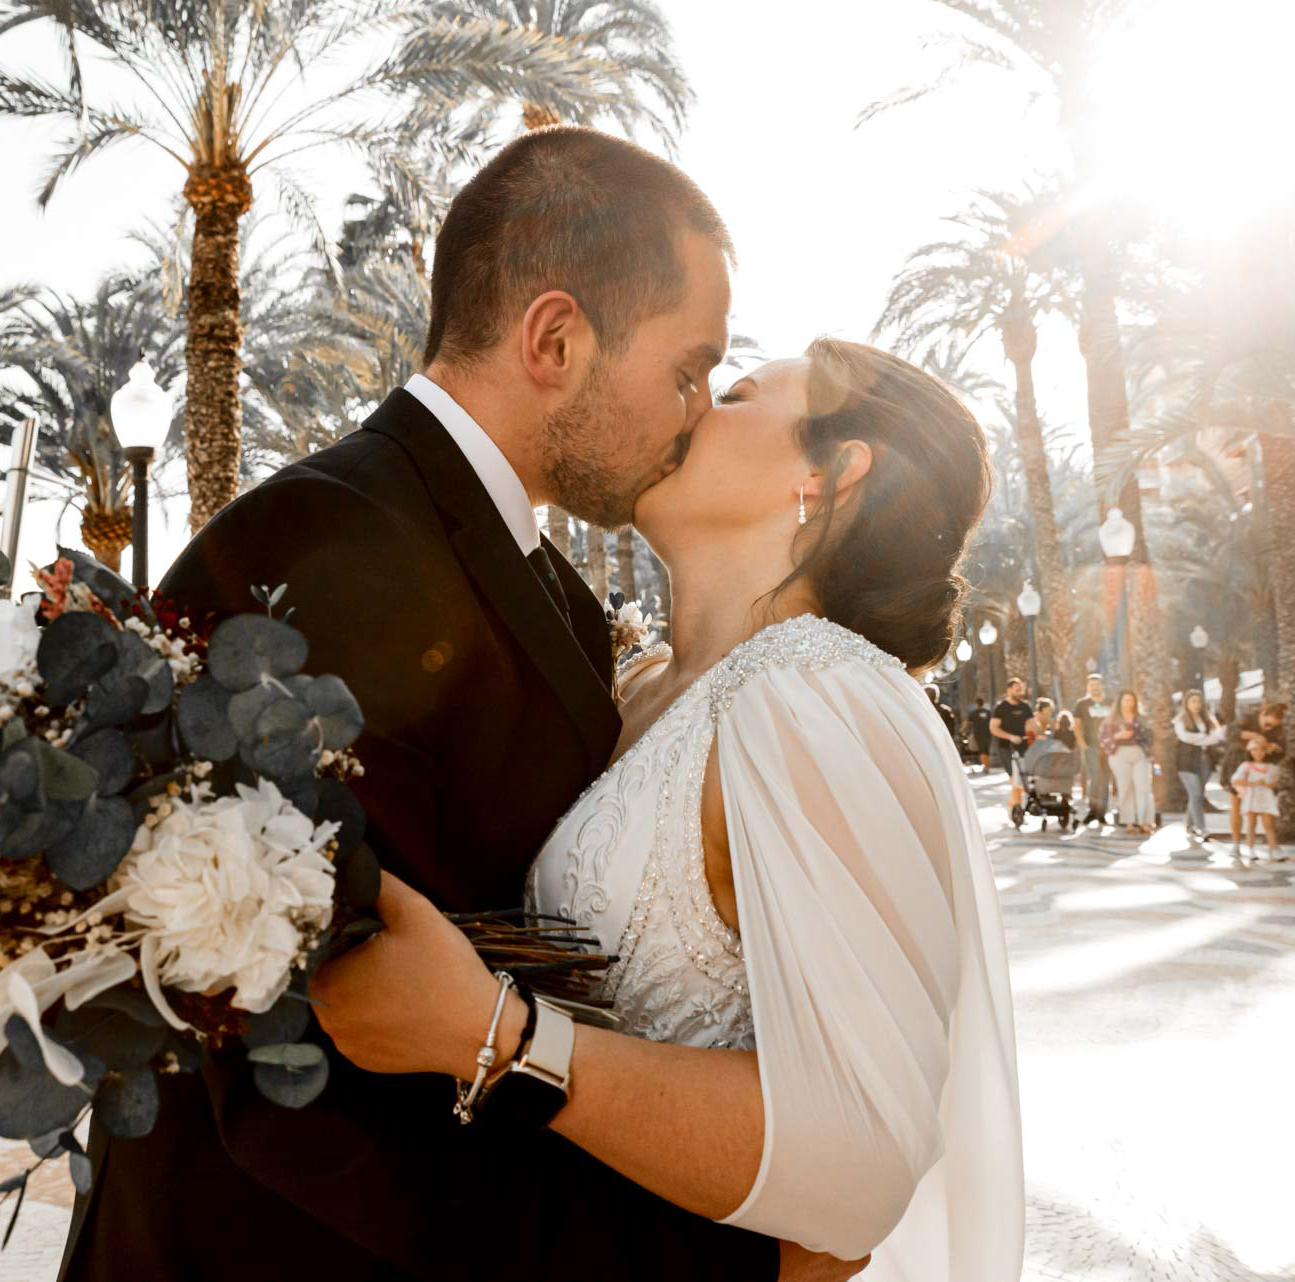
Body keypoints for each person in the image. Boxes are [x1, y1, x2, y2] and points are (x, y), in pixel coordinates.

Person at [61, 129, 869, 1282]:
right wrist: (715, 1266)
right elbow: (303, 1080)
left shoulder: (557, 594)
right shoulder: (321, 542)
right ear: (554, 338)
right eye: (689, 370)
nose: (694, 413)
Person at [315, 338, 1022, 1280]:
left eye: (731, 394)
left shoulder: (817, 700)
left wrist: (497, 1036)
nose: (688, 407)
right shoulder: (636, 687)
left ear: (836, 471)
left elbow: (861, 1163)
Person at [1223, 702, 1287, 854]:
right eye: (1267, 724)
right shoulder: (1247, 719)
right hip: (1238, 763)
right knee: (1236, 806)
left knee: (1267, 810)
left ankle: (1272, 846)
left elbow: (1282, 750)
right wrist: (1255, 736)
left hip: (1262, 770)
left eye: (1272, 726)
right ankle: (1236, 844)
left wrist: (1273, 748)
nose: (1268, 728)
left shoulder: (1278, 730)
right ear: (1262, 714)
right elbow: (1230, 732)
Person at [1173, 691, 1225, 843]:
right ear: (1187, 703)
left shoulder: (1209, 719)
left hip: (1204, 760)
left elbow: (1217, 737)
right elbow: (1185, 737)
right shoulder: (1180, 720)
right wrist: (1204, 738)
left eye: (1198, 701)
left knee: (1197, 793)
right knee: (1196, 794)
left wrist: (1199, 740)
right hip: (1186, 762)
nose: (1196, 705)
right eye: (1193, 701)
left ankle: (1189, 825)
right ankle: (1202, 828)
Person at [1101, 690, 1155, 836]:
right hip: (1119, 754)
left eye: (1131, 700)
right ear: (1120, 702)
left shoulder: (1141, 719)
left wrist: (1144, 746)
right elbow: (1103, 738)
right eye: (1126, 700)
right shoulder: (1111, 719)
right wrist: (1118, 736)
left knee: (1143, 787)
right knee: (1125, 788)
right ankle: (1129, 822)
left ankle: (1145, 822)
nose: (1128, 703)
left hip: (1139, 753)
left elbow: (1150, 736)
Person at [1230, 735, 1285, 865]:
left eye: (1261, 750)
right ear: (1250, 751)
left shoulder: (1271, 767)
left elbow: (1275, 782)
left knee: (1268, 824)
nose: (1258, 753)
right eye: (1255, 750)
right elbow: (1236, 780)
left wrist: (1267, 784)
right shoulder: (1246, 766)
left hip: (1265, 797)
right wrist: (1252, 783)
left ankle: (1274, 848)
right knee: (1251, 824)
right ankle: (1251, 849)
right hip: (1252, 796)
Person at [989, 677, 1035, 812]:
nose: (1020, 692)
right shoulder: (1001, 707)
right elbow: (993, 728)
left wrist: (1040, 732)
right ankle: (1018, 808)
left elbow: (1033, 725)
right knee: (1015, 778)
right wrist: (1010, 737)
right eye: (1017, 690)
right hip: (1006, 748)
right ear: (1009, 690)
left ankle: (1014, 805)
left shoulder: (1025, 706)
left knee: (1021, 778)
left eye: (1021, 689)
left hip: (1024, 747)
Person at [1073, 675, 1113, 826]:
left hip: (1108, 748)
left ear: (1102, 686)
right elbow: (1076, 725)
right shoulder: (1082, 704)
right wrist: (1082, 744)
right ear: (1087, 687)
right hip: (1090, 747)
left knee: (1105, 779)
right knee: (1095, 778)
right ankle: (1092, 810)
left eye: (1097, 685)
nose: (1094, 688)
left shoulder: (1110, 702)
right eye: (1091, 685)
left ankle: (1102, 812)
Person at [928, 682, 959, 749]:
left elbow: (951, 727)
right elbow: (952, 728)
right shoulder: (946, 709)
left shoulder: (945, 710)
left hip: (938, 742)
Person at [966, 696, 993, 772]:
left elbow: (967, 722)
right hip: (988, 733)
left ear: (976, 704)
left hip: (978, 734)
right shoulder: (988, 712)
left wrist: (964, 730)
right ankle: (986, 765)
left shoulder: (974, 713)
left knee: (982, 750)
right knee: (986, 750)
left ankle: (986, 766)